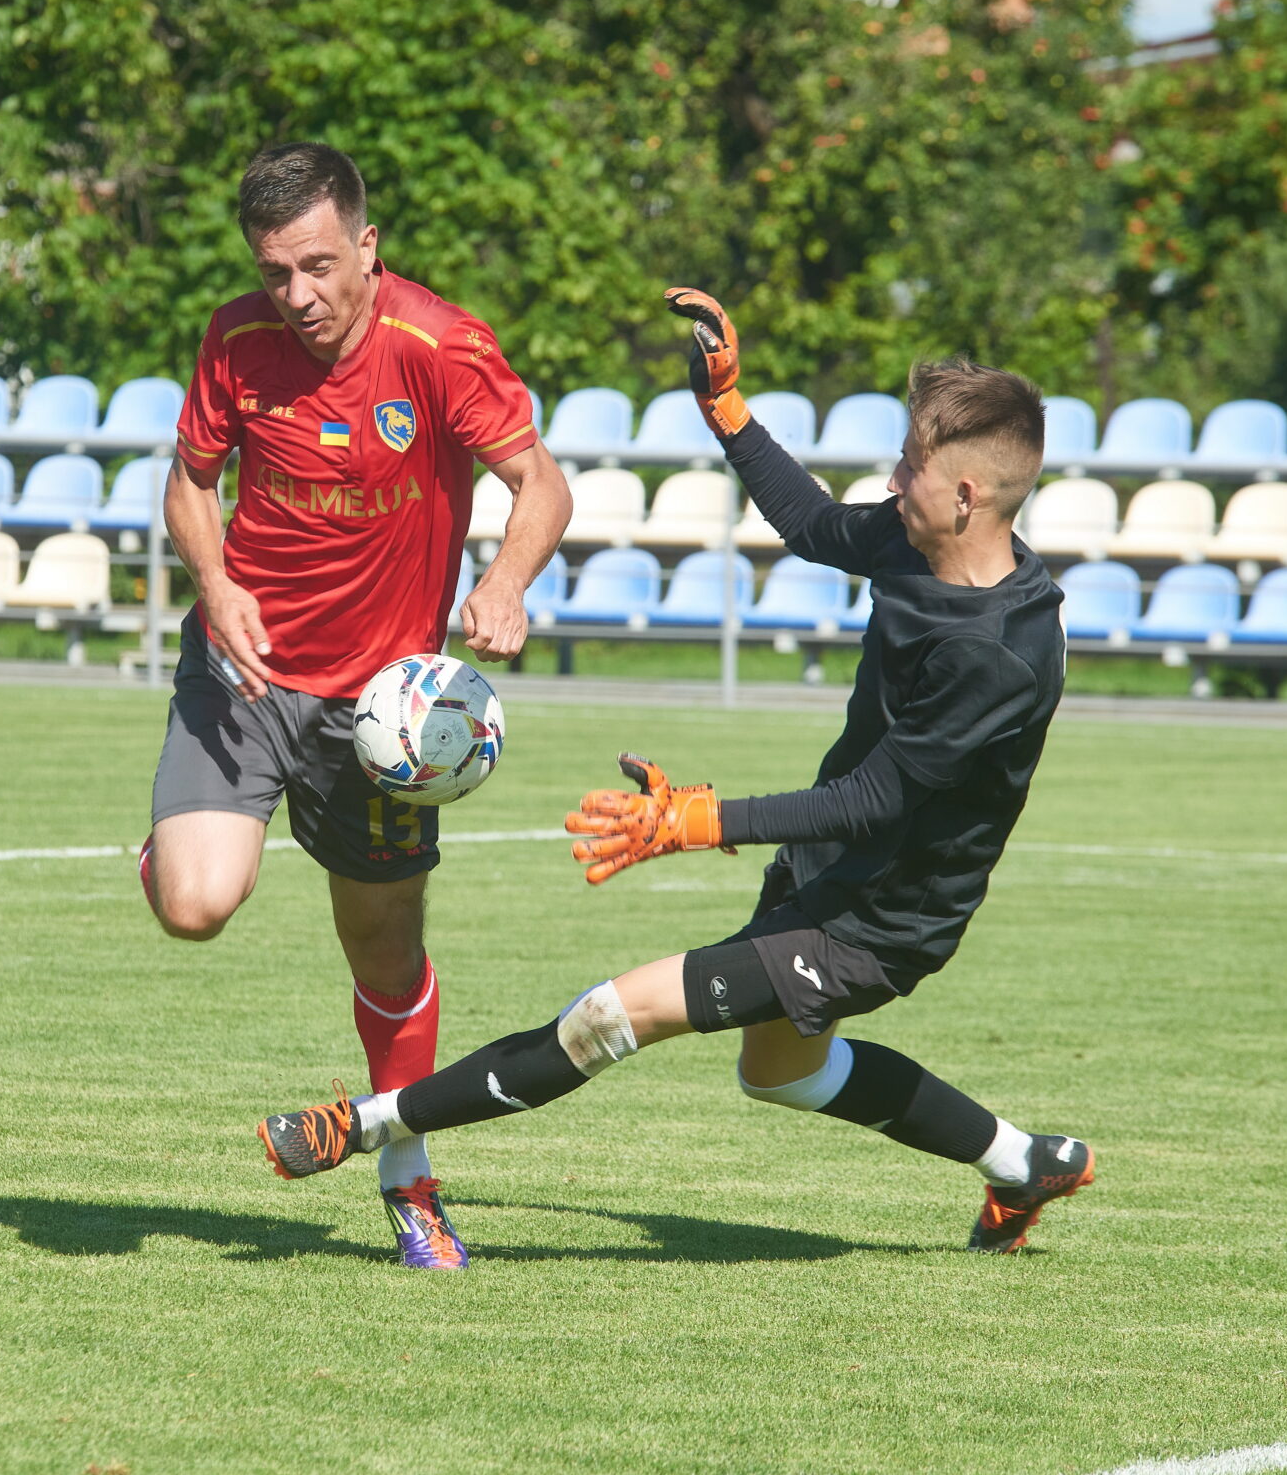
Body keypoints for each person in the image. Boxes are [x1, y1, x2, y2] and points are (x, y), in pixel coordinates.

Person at [257, 288, 1094, 1255]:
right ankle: (1026, 1162)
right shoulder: (923, 544)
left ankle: (363, 1126)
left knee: (615, 1014)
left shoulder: (1000, 652)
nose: (896, 477)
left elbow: (876, 800)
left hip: (886, 918)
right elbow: (816, 527)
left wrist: (700, 820)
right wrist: (728, 411)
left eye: (913, 465)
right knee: (782, 1074)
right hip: (831, 875)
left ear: (967, 495)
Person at [144, 143, 572, 1270]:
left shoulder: (440, 346)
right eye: (275, 270)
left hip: (378, 715)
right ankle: (175, 832)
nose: (298, 297)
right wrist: (214, 582)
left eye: (319, 266)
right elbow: (190, 481)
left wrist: (504, 581)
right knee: (192, 905)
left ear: (367, 247)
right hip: (240, 673)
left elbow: (543, 481)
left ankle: (409, 1181)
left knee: (384, 961)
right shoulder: (235, 339)